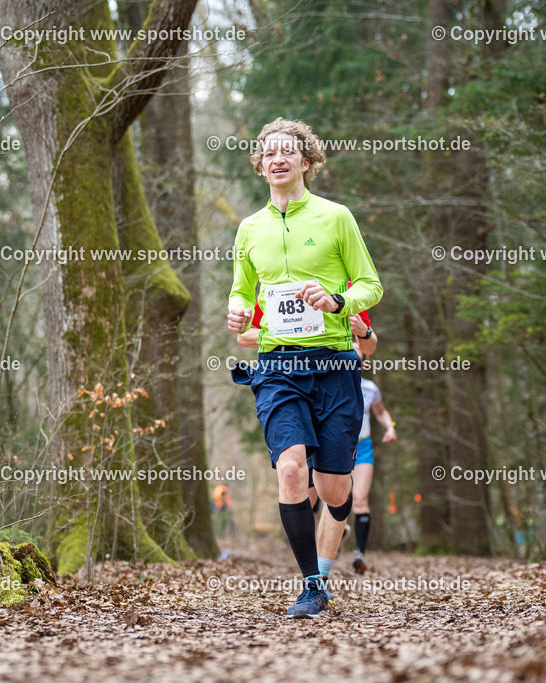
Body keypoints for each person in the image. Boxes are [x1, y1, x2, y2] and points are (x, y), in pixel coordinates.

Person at [227, 117, 383, 618]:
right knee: (292, 470)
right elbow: (241, 289)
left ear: (306, 162)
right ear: (260, 165)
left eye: (287, 152)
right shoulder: (249, 229)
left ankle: (335, 524)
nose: (276, 159)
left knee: (335, 489)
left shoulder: (336, 218)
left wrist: (338, 301)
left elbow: (370, 285)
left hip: (335, 366)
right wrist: (235, 308)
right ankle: (312, 584)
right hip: (277, 365)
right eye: (268, 152)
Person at [351, 373, 396, 573]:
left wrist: (390, 427)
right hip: (337, 446)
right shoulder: (331, 378)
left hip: (363, 447)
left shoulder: (370, 388)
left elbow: (380, 411)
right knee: (337, 498)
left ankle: (359, 554)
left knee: (360, 497)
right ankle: (332, 541)